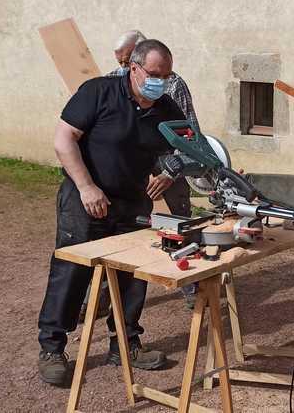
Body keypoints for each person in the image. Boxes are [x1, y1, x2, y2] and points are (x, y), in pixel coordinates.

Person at [37, 39, 186, 385]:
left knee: (132, 277)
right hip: (85, 199)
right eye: (154, 74)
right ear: (134, 68)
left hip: (132, 204)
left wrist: (170, 172)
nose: (160, 82)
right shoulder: (98, 92)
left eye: (166, 76)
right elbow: (63, 140)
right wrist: (87, 187)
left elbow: (189, 146)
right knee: (71, 272)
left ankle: (125, 345)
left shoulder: (166, 108)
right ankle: (52, 348)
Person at [107, 30, 199, 309]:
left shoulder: (173, 84)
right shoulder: (112, 80)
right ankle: (103, 296)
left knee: (179, 226)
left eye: (127, 61)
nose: (124, 68)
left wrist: (170, 173)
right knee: (119, 233)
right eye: (123, 63)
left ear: (141, 54)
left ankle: (191, 287)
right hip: (129, 171)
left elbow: (190, 136)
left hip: (167, 166)